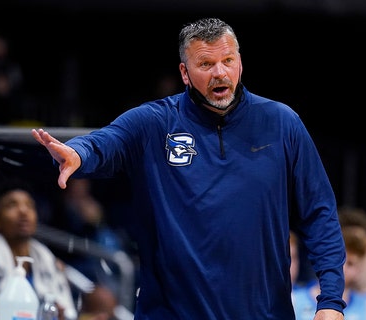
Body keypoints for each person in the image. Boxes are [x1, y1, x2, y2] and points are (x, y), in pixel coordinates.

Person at [31, 17, 346, 320]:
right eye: (206, 65)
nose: (220, 73)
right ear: (185, 72)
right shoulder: (154, 122)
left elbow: (319, 213)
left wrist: (331, 300)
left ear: (240, 62)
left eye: (228, 60)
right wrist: (77, 153)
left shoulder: (281, 123)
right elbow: (107, 141)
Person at [0, 178, 117, 320]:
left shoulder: (50, 263)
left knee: (101, 299)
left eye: (29, 206)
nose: (23, 211)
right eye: (12, 205)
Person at [291, 231, 366, 320]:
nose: (343, 267)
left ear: (359, 270)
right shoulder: (293, 301)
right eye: (339, 260)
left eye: (350, 263)